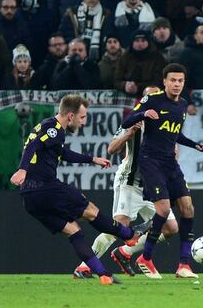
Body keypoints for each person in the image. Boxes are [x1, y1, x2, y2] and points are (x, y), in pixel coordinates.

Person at [9, 94, 144, 285]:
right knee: (91, 211)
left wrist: (92, 159)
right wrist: (22, 169)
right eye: (82, 117)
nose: (83, 122)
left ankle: (103, 274)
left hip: (30, 198)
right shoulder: (53, 128)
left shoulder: (49, 128)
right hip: (45, 187)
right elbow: (33, 144)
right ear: (70, 116)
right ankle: (130, 236)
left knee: (74, 231)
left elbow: (62, 153)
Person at [73, 87, 179, 279]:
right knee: (119, 225)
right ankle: (84, 266)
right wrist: (128, 135)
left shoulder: (169, 123)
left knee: (170, 227)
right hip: (130, 180)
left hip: (152, 185)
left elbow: (174, 153)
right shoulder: (134, 121)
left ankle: (125, 253)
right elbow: (111, 148)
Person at [121, 64, 203, 279]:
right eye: (173, 80)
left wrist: (196, 145)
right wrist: (142, 114)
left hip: (170, 163)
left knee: (188, 209)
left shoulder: (182, 105)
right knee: (162, 211)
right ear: (165, 81)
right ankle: (146, 258)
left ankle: (184, 266)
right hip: (150, 161)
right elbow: (126, 122)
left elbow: (175, 135)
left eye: (180, 81)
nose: (177, 84)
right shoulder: (152, 100)